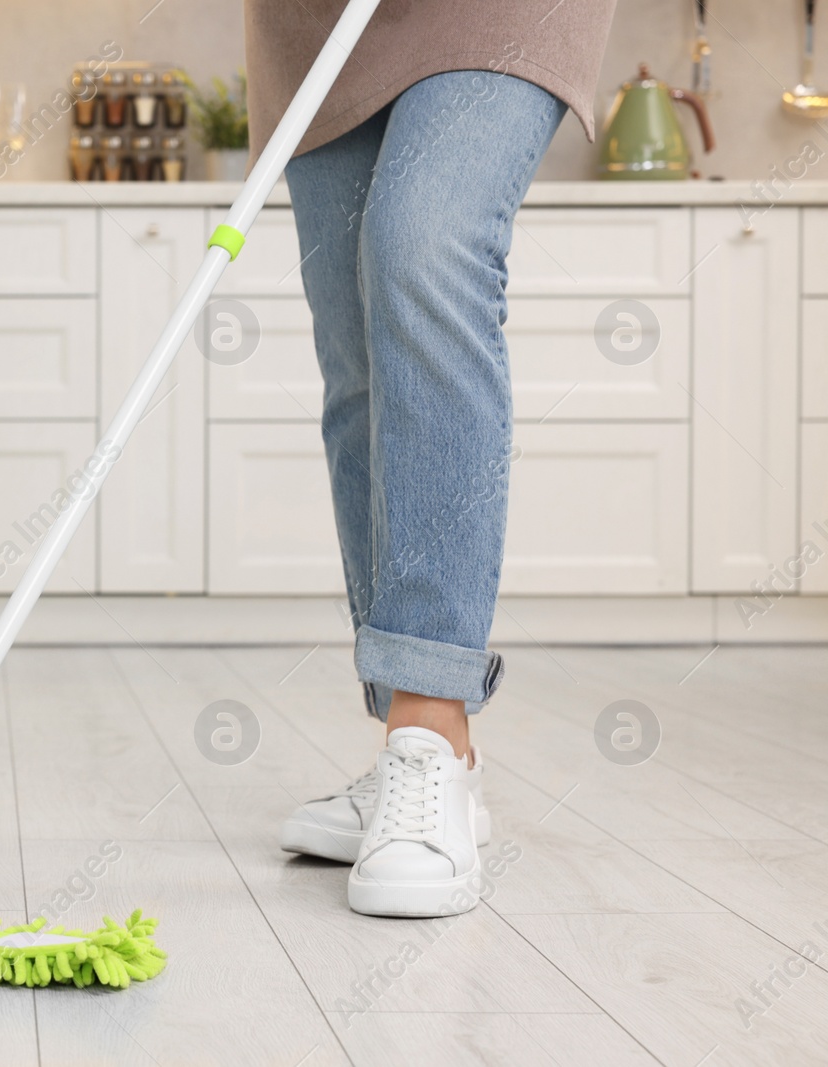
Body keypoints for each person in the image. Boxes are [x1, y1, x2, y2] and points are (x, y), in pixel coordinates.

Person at [247, 0, 618, 916]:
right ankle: (413, 738)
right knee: (360, 348)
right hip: (318, 26)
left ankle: (430, 721)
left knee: (424, 247)